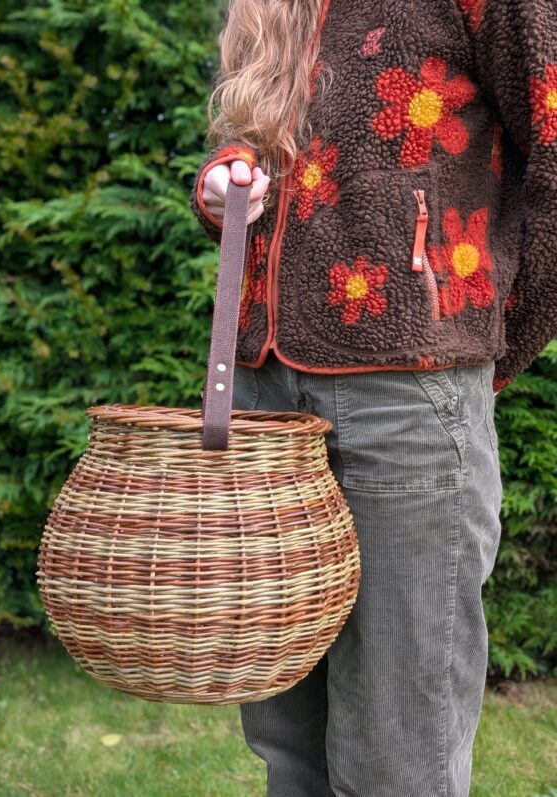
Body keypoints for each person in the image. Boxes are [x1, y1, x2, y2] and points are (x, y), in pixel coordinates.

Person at [189, 2, 557, 795]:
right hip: (265, 399)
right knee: (286, 744)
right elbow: (269, 144)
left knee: (398, 757)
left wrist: (476, 337)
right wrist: (228, 183)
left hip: (407, 396)